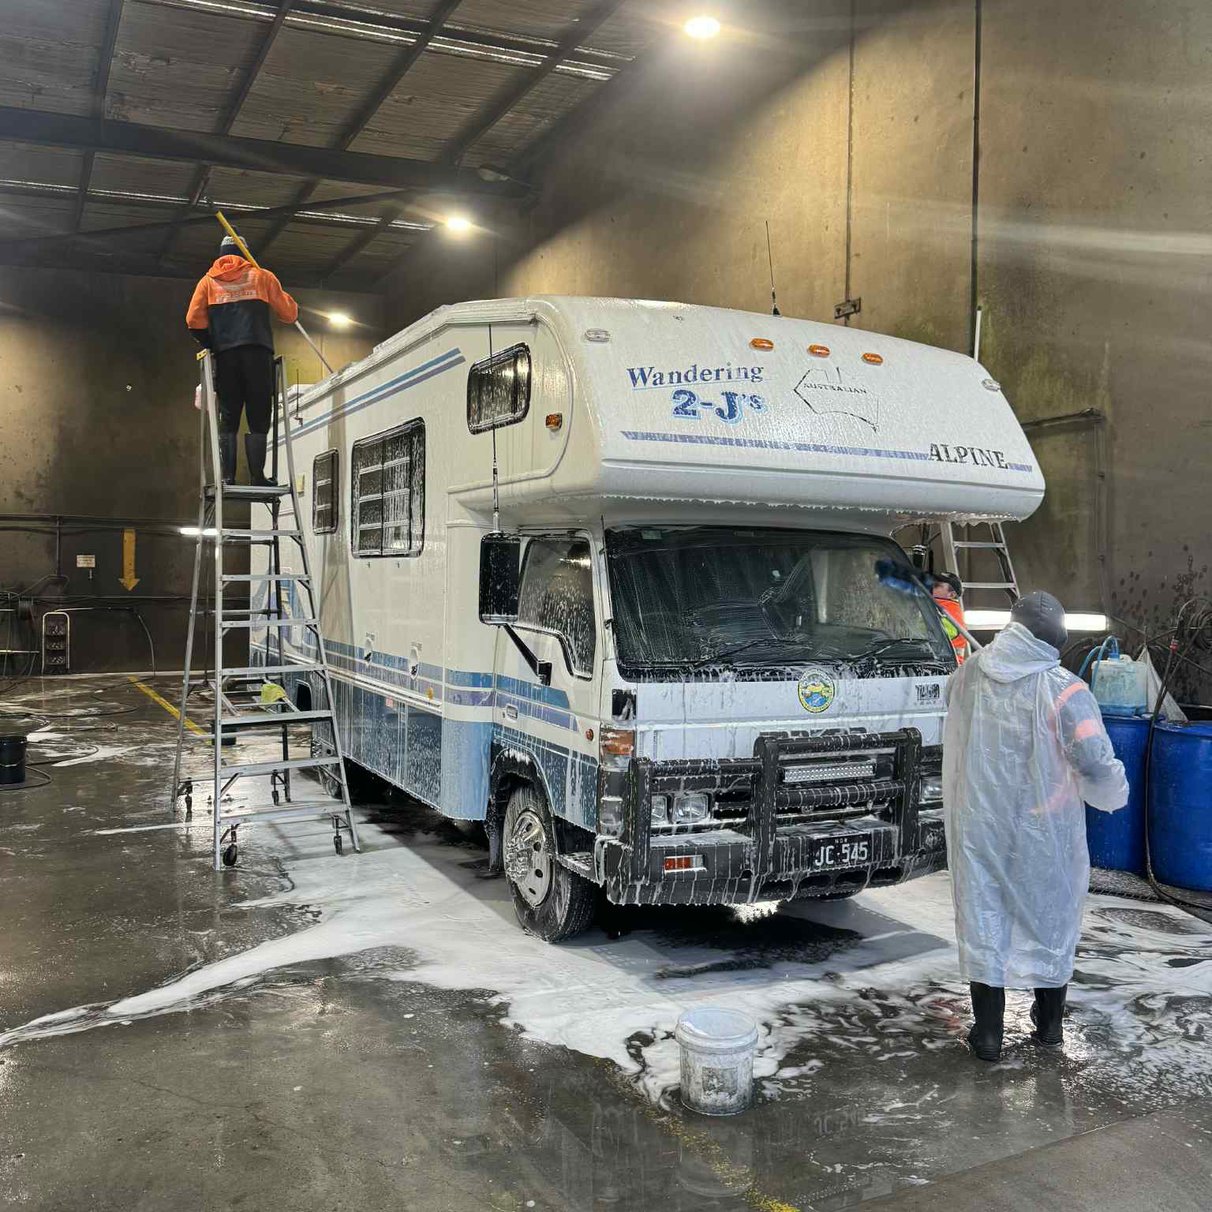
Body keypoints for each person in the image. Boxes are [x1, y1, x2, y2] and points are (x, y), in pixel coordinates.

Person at [942, 591, 1129, 1062]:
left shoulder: (966, 678)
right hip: (1045, 832)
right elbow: (1095, 762)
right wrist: (1114, 795)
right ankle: (1048, 1030)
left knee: (985, 919)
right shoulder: (1067, 689)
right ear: (1055, 638)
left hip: (979, 824)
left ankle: (987, 1037)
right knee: (1052, 919)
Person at [186, 233, 299, 486]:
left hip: (226, 356)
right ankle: (257, 477)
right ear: (245, 253)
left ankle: (227, 477)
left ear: (221, 254)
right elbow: (289, 314)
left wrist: (212, 344)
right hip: (257, 353)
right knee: (259, 414)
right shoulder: (262, 276)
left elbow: (193, 321)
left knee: (229, 415)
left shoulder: (207, 283)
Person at [932, 571, 969, 663]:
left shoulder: (950, 613)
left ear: (951, 595)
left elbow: (929, 635)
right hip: (941, 663)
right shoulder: (936, 607)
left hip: (947, 666)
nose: (931, 586)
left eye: (937, 585)